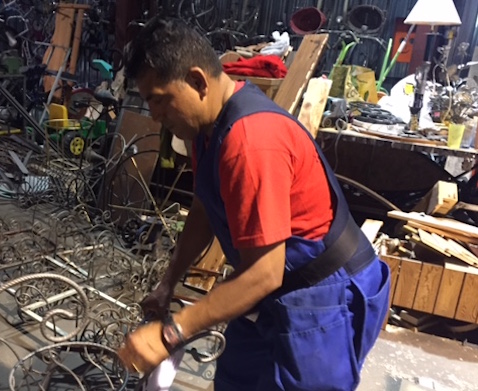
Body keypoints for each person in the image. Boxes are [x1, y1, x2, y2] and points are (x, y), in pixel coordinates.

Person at [117, 16, 390, 391]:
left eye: (160, 101)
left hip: (323, 294)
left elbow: (264, 274)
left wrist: (172, 333)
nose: (154, 116)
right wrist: (169, 282)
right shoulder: (205, 131)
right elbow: (203, 211)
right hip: (278, 288)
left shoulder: (250, 141)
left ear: (197, 81)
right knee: (236, 380)